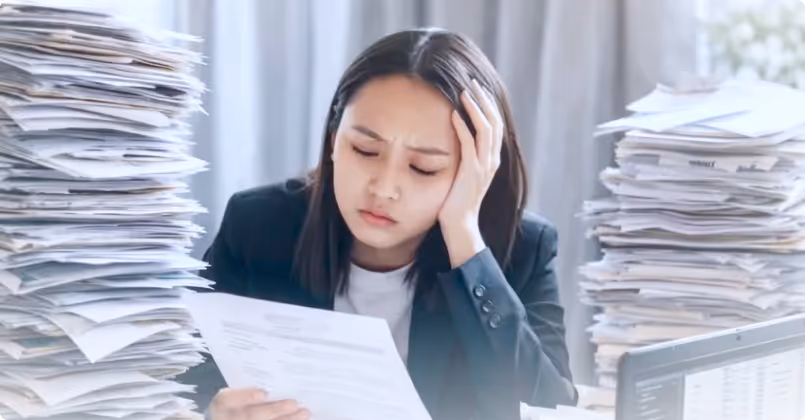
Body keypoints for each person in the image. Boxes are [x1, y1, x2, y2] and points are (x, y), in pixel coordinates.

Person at [200, 27, 577, 420]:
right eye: (365, 150)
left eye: (423, 167)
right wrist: (213, 410)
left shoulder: (518, 249)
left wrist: (463, 235)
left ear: (474, 169)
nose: (384, 189)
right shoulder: (258, 225)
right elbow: (184, 369)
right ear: (333, 138)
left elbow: (548, 408)